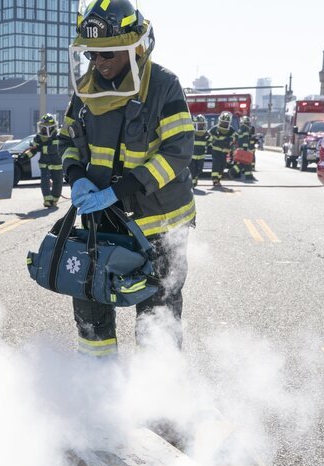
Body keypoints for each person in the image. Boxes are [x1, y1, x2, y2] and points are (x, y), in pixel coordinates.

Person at [59, 0, 195, 357]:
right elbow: (66, 140)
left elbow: (178, 150)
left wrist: (119, 191)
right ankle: (98, 378)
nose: (99, 62)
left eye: (108, 53)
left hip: (160, 227)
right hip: (102, 223)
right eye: (92, 54)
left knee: (158, 315)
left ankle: (157, 388)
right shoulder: (85, 90)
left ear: (135, 47)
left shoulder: (163, 85)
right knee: (91, 307)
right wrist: (76, 176)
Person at [19, 113, 63, 207]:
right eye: (42, 128)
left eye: (45, 128)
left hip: (56, 163)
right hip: (44, 163)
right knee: (44, 181)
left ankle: (55, 199)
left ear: (52, 128)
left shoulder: (57, 136)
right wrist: (26, 156)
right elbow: (33, 149)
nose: (43, 130)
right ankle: (47, 200)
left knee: (58, 182)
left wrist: (40, 147)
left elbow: (53, 149)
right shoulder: (38, 137)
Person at [207, 111, 236, 187]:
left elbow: (235, 137)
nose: (224, 124)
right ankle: (215, 180)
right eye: (223, 122)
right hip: (215, 151)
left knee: (223, 165)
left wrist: (229, 139)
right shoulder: (215, 129)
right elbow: (208, 137)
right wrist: (209, 145)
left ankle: (219, 179)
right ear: (220, 121)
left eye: (226, 123)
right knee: (216, 165)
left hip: (225, 152)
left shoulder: (231, 130)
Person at [233, 115, 255, 181]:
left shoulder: (240, 129)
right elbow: (245, 139)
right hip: (245, 148)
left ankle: (249, 176)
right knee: (244, 163)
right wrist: (245, 148)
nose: (248, 124)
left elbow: (237, 137)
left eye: (248, 123)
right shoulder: (245, 129)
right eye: (247, 123)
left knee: (247, 162)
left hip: (241, 148)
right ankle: (232, 171)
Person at [190, 114, 209, 188]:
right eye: (199, 124)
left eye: (202, 124)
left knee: (199, 170)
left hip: (201, 156)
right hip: (192, 156)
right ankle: (192, 183)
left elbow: (210, 140)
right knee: (192, 170)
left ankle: (194, 180)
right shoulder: (191, 132)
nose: (201, 126)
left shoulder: (206, 133)